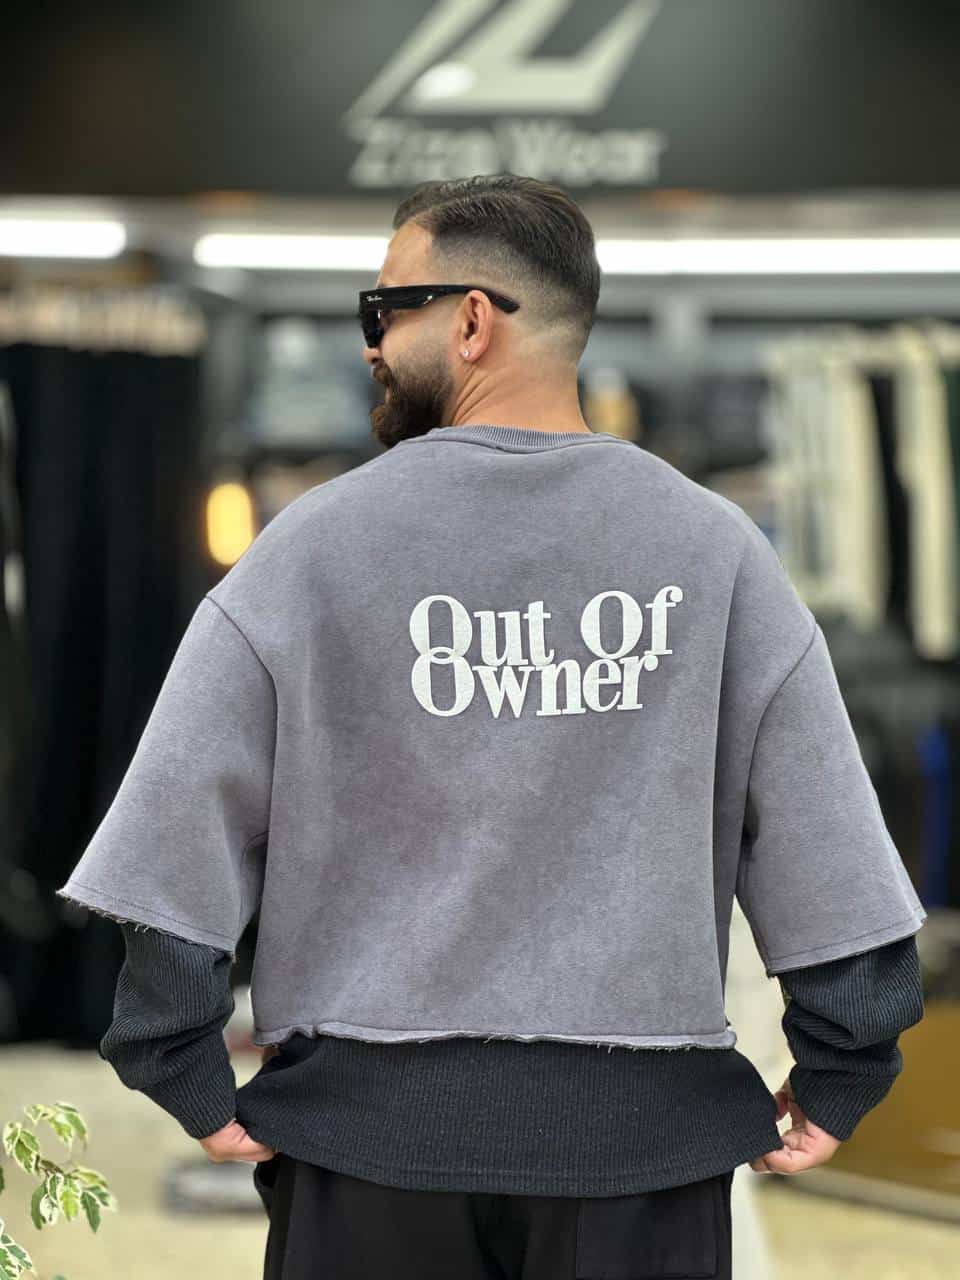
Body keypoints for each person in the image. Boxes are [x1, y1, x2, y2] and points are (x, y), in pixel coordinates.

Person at [58, 174, 926, 1280]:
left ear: (471, 320)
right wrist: (845, 1056)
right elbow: (828, 841)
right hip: (639, 1155)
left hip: (368, 1147)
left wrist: (181, 1060)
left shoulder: (309, 550)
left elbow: (175, 831)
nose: (370, 344)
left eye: (385, 310)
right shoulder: (715, 553)